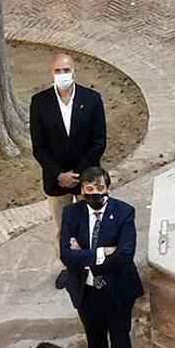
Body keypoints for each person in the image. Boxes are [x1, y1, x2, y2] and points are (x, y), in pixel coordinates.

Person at [57, 166, 147, 348]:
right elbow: (66, 255)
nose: (95, 193)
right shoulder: (71, 214)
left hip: (117, 289)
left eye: (99, 188)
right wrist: (102, 252)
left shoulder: (124, 213)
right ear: (82, 190)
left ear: (108, 188)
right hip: (86, 291)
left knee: (120, 340)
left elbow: (125, 255)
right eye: (89, 189)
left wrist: (83, 255)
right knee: (94, 339)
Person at [30, 52, 107, 239]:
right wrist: (59, 174)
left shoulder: (92, 100)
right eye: (58, 70)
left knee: (92, 228)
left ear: (74, 72)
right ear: (51, 72)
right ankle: (69, 267)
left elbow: (99, 142)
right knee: (63, 231)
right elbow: (39, 147)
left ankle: (93, 264)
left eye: (66, 70)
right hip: (56, 181)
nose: (62, 74)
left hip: (87, 179)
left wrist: (78, 174)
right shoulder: (40, 103)